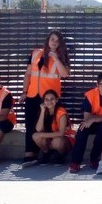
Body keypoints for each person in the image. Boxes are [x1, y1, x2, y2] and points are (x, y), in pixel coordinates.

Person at [22, 31, 70, 164]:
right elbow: (28, 74)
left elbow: (65, 74)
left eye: (57, 40)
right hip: (32, 94)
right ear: (48, 40)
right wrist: (24, 91)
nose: (54, 42)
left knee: (48, 125)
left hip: (49, 98)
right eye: (52, 39)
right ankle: (29, 153)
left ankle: (49, 152)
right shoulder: (35, 53)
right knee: (30, 124)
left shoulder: (61, 55)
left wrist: (56, 58)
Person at [68, 72, 102, 173]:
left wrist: (94, 119)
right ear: (97, 84)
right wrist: (95, 119)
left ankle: (94, 159)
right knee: (82, 129)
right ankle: (75, 162)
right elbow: (87, 118)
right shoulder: (90, 95)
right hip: (91, 122)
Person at [24, 89, 75, 166]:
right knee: (35, 136)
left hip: (64, 140)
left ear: (57, 100)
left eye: (52, 99)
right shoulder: (43, 110)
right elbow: (38, 129)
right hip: (50, 140)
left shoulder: (61, 112)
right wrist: (42, 111)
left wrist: (42, 135)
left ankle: (60, 155)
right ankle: (46, 153)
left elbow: (61, 133)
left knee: (56, 141)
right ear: (43, 101)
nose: (49, 101)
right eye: (46, 99)